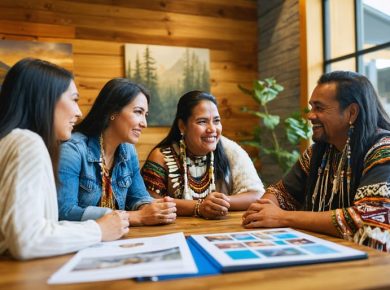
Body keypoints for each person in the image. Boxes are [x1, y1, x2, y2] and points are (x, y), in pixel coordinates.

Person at [242, 71, 390, 251]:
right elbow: (280, 193)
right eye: (312, 107)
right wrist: (263, 210)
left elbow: (367, 219)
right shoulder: (317, 153)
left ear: (351, 112)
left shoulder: (383, 150)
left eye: (319, 108)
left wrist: (282, 217)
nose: (310, 115)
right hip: (325, 253)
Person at [0, 58, 129, 260]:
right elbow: (27, 239)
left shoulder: (11, 141)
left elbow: (36, 226)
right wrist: (98, 230)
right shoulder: (27, 143)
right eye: (75, 99)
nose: (79, 112)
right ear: (45, 99)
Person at [57, 78, 176, 226]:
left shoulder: (128, 150)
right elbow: (64, 212)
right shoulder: (72, 150)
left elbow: (138, 197)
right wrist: (136, 217)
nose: (144, 123)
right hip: (81, 241)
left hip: (116, 236)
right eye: (138, 112)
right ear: (112, 111)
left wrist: (155, 208)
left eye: (145, 115)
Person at [141, 90, 264, 219]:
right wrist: (199, 206)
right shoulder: (162, 156)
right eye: (202, 121)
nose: (212, 129)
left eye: (216, 121)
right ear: (182, 126)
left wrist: (219, 203)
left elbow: (257, 194)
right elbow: (149, 202)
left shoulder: (231, 150)